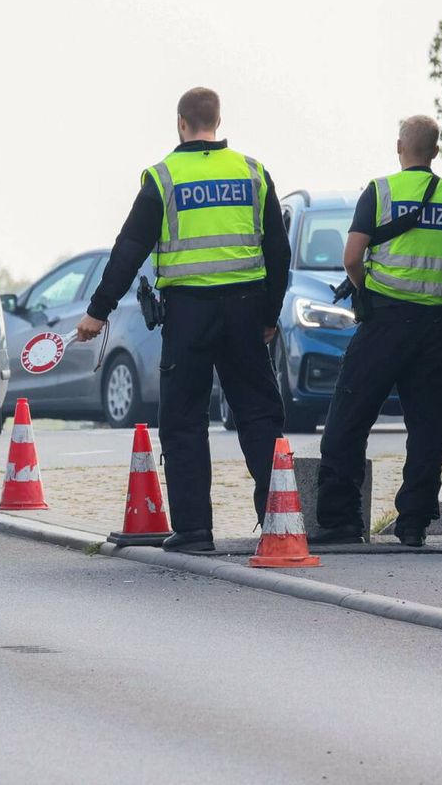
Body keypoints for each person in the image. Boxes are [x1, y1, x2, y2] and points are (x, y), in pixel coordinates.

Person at [75, 87, 290, 552]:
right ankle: (278, 521)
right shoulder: (254, 174)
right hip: (245, 311)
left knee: (184, 420)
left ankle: (194, 531)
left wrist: (98, 311)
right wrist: (269, 315)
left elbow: (128, 250)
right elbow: (279, 250)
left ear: (181, 122)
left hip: (189, 316)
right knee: (258, 415)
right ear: (219, 119)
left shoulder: (163, 178)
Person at [311, 115, 442, 547]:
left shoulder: (380, 192)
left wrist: (364, 291)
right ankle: (413, 523)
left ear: (399, 147)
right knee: (429, 425)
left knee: (349, 418)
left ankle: (340, 521)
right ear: (436, 151)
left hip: (385, 323)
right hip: (434, 328)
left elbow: (353, 257)